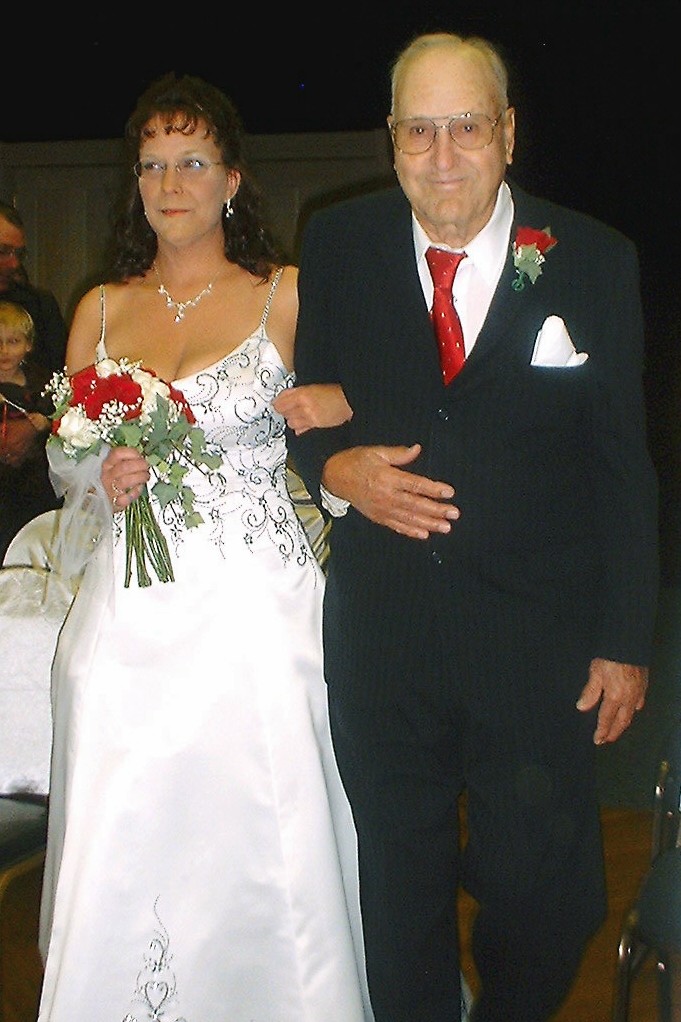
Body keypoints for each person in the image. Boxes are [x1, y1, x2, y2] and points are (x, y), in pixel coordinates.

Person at [284, 31, 660, 1022]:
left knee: (545, 895)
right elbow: (308, 410)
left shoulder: (593, 259)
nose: (442, 154)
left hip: (536, 643)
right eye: (419, 130)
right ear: (391, 139)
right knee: (397, 889)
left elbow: (623, 466)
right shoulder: (339, 241)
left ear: (508, 133)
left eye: (465, 127)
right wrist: (336, 471)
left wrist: (625, 640)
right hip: (385, 635)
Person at [36, 72, 374, 1022]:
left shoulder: (285, 296)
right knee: (129, 815)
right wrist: (98, 470)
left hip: (255, 609)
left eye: (191, 162)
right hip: (131, 612)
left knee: (262, 817)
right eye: (151, 166)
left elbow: (373, 397)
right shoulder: (100, 309)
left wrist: (339, 403)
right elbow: (69, 461)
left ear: (232, 180)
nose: (169, 183)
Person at [0, 300, 61, 562]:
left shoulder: (41, 383)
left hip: (32, 482)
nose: (4, 351)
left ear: (28, 345)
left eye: (13, 342)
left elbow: (58, 422)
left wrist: (44, 423)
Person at [0, 200, 68, 374]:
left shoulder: (40, 304)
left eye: (19, 254)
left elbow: (60, 371)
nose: (14, 263)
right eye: (3, 251)